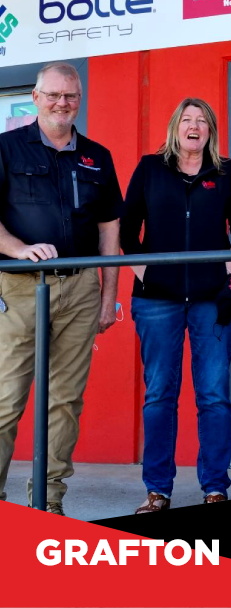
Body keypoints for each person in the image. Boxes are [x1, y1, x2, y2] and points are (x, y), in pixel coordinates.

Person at [0, 62, 122, 515]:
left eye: (70, 95)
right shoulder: (6, 148)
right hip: (20, 291)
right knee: (6, 399)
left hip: (80, 291)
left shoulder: (97, 156)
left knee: (65, 401)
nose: (62, 103)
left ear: (79, 100)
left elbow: (110, 229)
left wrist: (108, 298)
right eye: (53, 95)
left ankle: (48, 500)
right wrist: (18, 249)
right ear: (36, 98)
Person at [120, 98, 231, 512]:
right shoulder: (150, 168)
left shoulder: (225, 171)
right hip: (156, 300)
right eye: (187, 120)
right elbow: (127, 228)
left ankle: (215, 488)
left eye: (202, 121)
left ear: (210, 130)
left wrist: (228, 271)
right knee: (160, 394)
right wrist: (145, 272)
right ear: (176, 126)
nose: (194, 126)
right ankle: (158, 490)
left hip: (212, 300)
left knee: (213, 395)